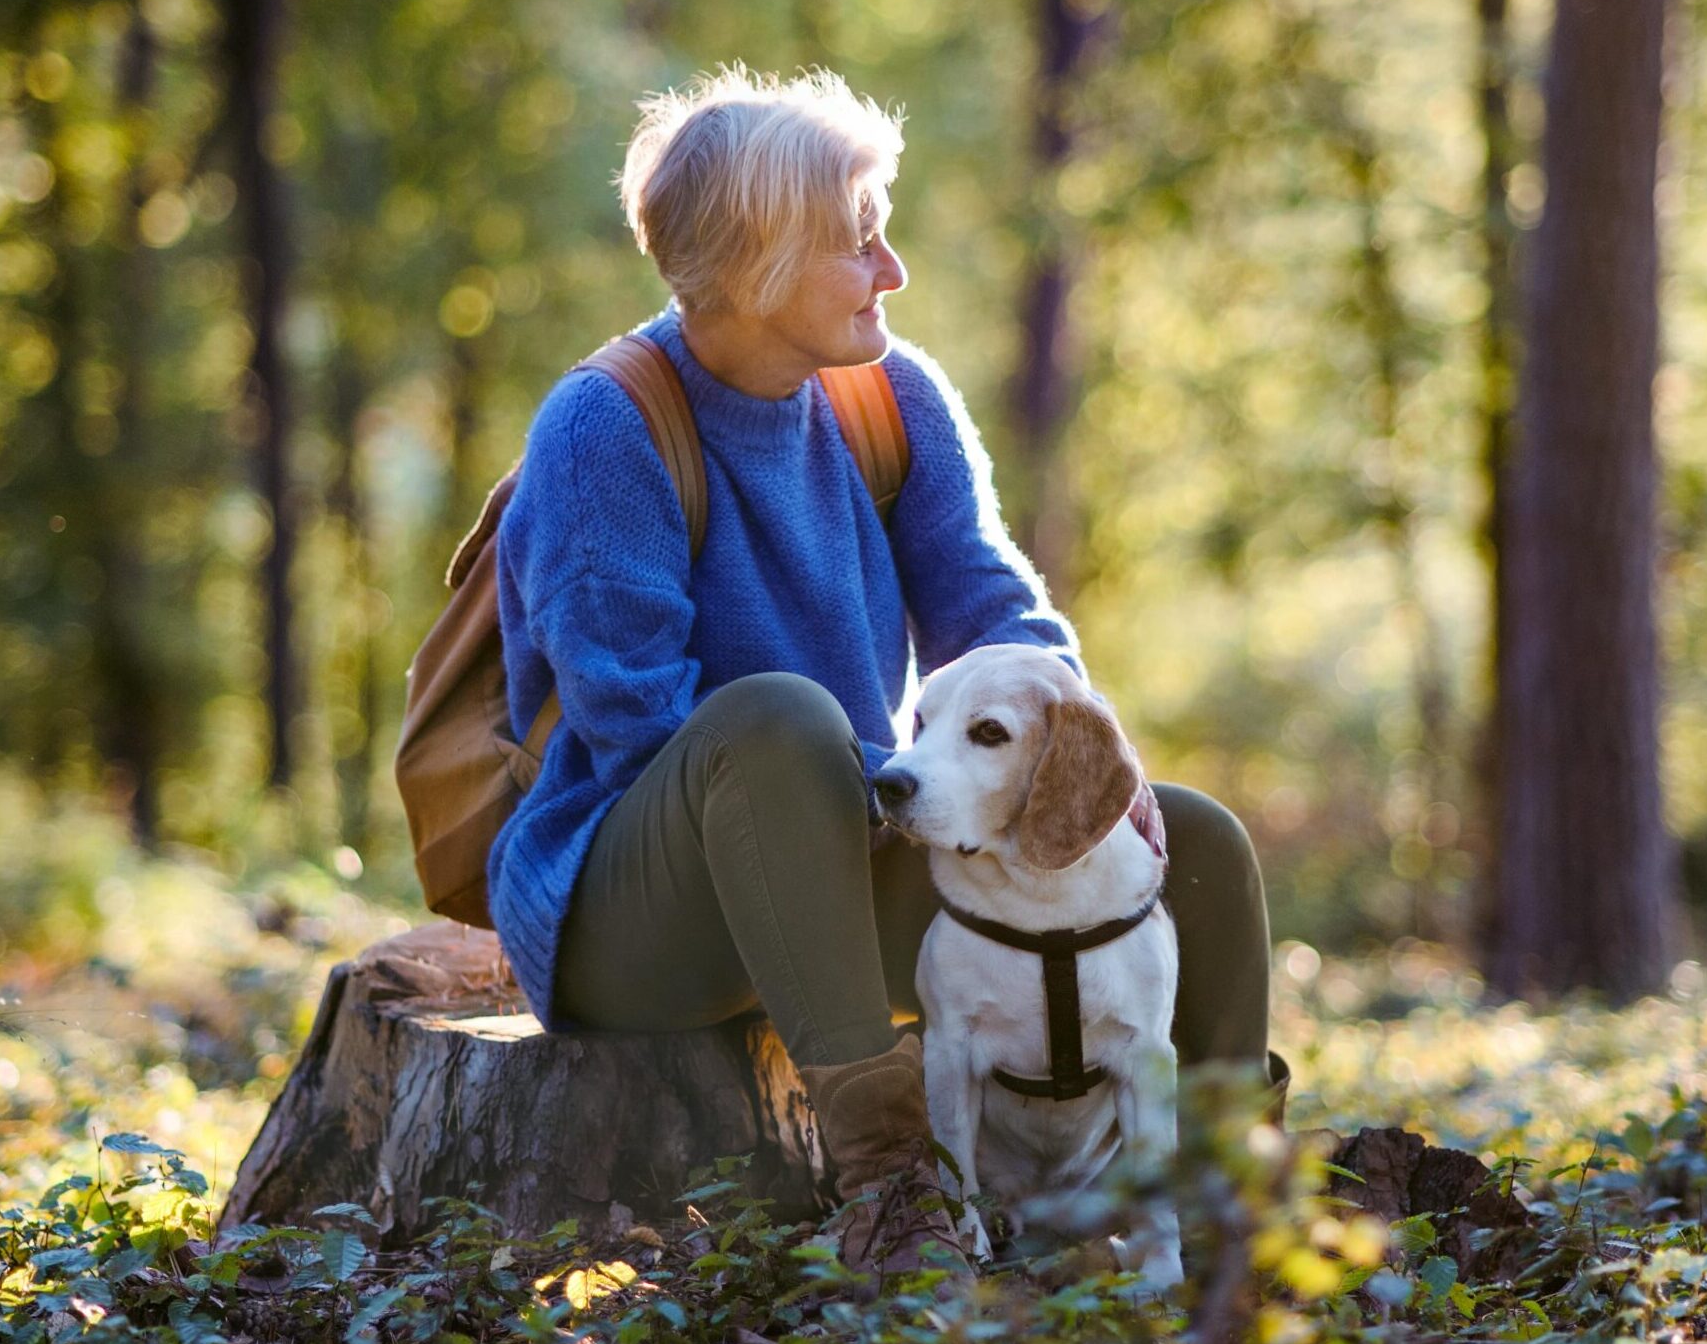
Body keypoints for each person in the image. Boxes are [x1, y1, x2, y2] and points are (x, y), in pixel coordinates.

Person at [487, 65, 1274, 1278]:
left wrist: (1078, 765)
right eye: (859, 242)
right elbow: (636, 719)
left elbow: (1000, 614)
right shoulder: (606, 427)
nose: (892, 269)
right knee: (776, 721)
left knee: (1195, 838)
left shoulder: (892, 397)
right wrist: (897, 781)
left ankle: (1220, 1205)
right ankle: (894, 1191)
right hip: (641, 909)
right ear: (755, 259)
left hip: (852, 847)